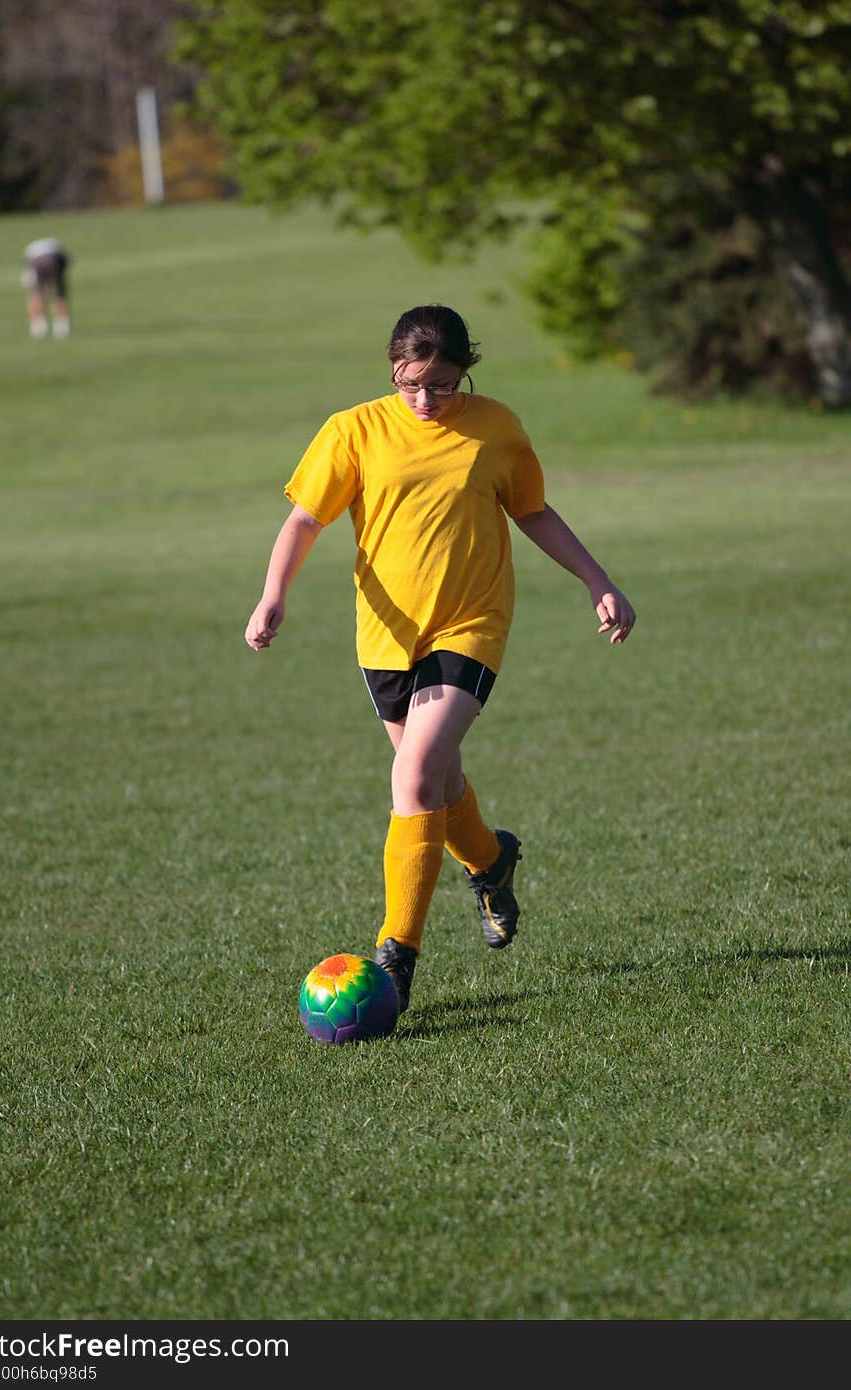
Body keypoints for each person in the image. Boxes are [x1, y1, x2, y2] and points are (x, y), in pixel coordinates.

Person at [244, 304, 636, 1015]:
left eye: (444, 384)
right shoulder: (354, 430)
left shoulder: (497, 428)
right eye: (410, 383)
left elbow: (534, 511)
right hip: (386, 637)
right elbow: (305, 518)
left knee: (416, 773)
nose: (426, 400)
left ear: (466, 371)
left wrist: (597, 579)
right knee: (437, 782)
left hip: (471, 623)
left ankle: (397, 957)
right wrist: (273, 596)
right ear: (393, 371)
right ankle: (491, 861)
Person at [21, 237, 71, 339]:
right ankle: (61, 325)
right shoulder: (57, 249)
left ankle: (39, 325)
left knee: (36, 294)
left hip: (38, 262)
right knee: (59, 293)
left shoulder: (31, 250)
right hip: (52, 260)